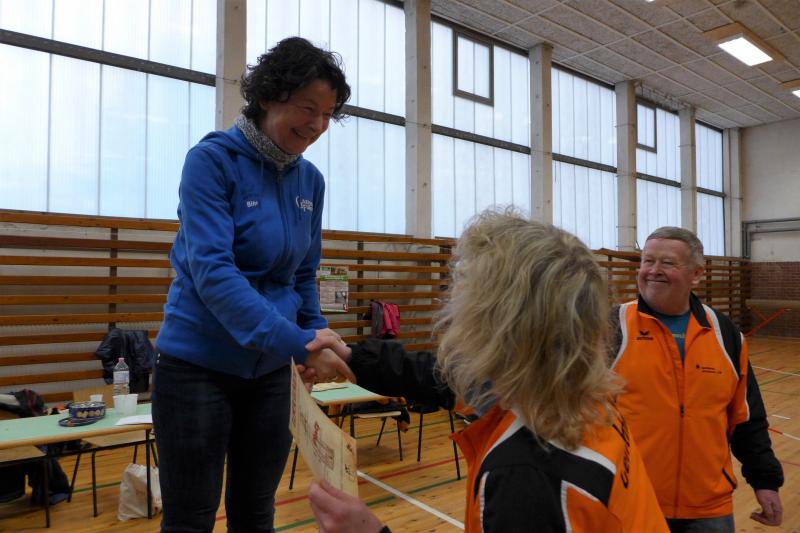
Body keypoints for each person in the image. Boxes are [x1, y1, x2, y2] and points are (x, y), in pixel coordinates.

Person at [305, 211, 669, 532]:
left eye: (468, 291)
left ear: (500, 320)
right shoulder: (578, 396)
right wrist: (351, 357)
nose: (453, 301)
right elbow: (442, 379)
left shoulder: (523, 477)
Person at [152, 37, 355, 532]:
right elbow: (214, 274)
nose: (317, 125)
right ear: (267, 96)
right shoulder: (211, 162)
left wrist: (316, 334)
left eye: (327, 115)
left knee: (255, 513)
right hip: (197, 367)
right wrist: (301, 344)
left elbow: (303, 275)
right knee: (190, 519)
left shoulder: (311, 182)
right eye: (307, 108)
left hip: (271, 374)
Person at [609, 227, 784, 532]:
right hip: (629, 501)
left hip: (708, 507)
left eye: (667, 263)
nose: (654, 270)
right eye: (648, 261)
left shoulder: (725, 333)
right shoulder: (611, 327)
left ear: (697, 274)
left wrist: (765, 480)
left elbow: (747, 417)